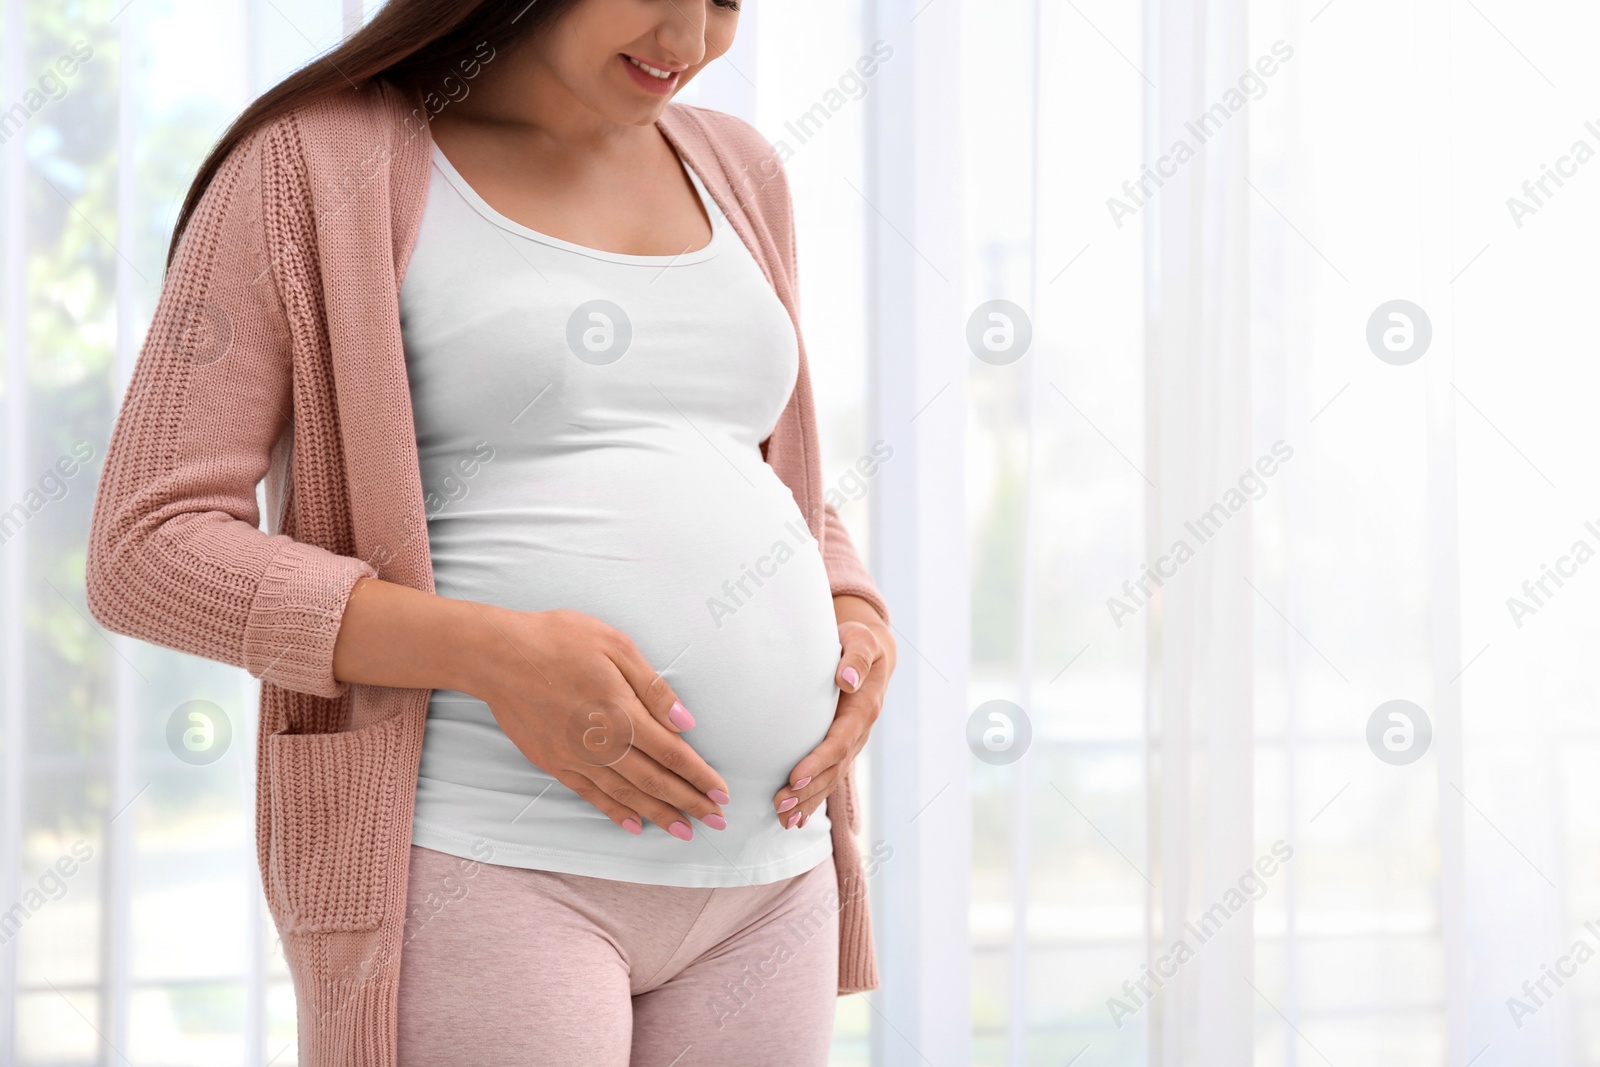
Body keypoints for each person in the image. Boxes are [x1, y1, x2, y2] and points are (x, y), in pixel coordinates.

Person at [85, 1, 896, 1063]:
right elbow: (147, 547)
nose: (690, 39)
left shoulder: (739, 168)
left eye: (728, 1)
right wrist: (494, 654)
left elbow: (757, 469)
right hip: (485, 858)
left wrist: (848, 606)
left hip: (765, 872)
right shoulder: (314, 166)